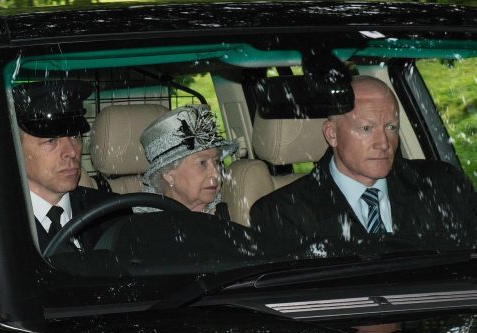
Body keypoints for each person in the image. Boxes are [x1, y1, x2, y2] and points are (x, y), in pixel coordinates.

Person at [250, 75, 476, 254]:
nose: (383, 143)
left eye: (391, 127)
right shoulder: (281, 213)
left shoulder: (444, 187)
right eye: (366, 129)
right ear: (332, 135)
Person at [14, 80, 122, 255]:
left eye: (75, 136)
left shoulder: (111, 213)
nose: (71, 152)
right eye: (51, 141)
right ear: (16, 149)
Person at [138, 104, 237, 219]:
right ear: (169, 174)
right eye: (202, 163)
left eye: (216, 162)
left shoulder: (232, 206)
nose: (216, 173)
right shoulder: (142, 220)